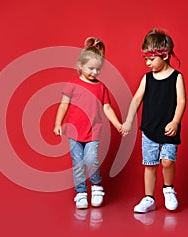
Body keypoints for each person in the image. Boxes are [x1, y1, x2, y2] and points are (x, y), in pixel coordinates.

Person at [122, 28, 186, 213]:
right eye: (146, 60)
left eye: (151, 59)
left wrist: (175, 121)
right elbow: (136, 99)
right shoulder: (147, 78)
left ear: (165, 56)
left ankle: (168, 189)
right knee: (149, 164)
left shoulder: (176, 77)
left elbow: (182, 101)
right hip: (149, 129)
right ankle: (149, 198)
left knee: (167, 161)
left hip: (168, 129)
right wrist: (128, 120)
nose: (148, 63)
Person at [53, 37, 122, 209]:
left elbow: (107, 108)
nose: (94, 73)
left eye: (98, 69)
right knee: (77, 163)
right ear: (80, 65)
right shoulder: (72, 84)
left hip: (93, 131)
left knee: (90, 159)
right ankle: (81, 192)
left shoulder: (101, 87)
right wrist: (57, 124)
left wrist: (117, 124)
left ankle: (97, 186)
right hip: (74, 133)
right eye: (91, 68)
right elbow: (63, 105)